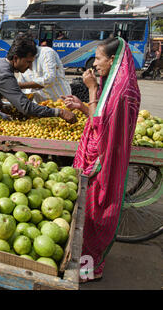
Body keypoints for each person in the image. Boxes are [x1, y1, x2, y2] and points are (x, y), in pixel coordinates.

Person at [62, 37, 141, 282]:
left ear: (112, 60)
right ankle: (85, 264)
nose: (94, 64)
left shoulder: (121, 91)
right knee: (87, 213)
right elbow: (100, 117)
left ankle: (89, 271)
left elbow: (103, 128)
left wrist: (92, 89)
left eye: (98, 59)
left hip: (104, 163)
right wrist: (84, 106)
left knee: (95, 213)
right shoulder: (114, 83)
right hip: (97, 157)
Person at [0, 34, 76, 123]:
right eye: (28, 62)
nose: (30, 67)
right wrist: (59, 112)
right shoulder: (4, 74)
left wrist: (2, 107)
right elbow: (26, 108)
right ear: (15, 58)